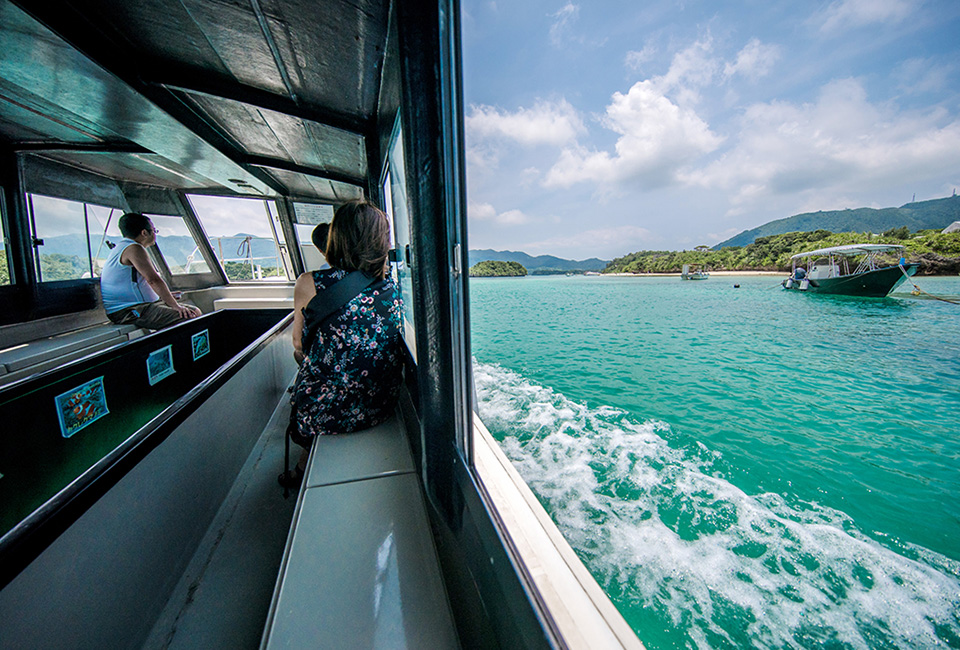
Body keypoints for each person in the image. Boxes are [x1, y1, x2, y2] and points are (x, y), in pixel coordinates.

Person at [281, 201, 403, 487]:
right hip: (380, 404)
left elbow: (298, 344)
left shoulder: (309, 283)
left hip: (327, 413)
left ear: (337, 239)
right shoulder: (393, 287)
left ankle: (302, 464)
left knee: (306, 374)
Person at [101, 212, 201, 330]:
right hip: (128, 311)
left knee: (195, 311)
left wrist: (165, 296)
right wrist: (175, 306)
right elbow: (153, 280)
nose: (155, 234)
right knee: (189, 317)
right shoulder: (134, 249)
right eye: (154, 231)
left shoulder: (121, 247)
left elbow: (137, 283)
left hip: (138, 306)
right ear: (144, 233)